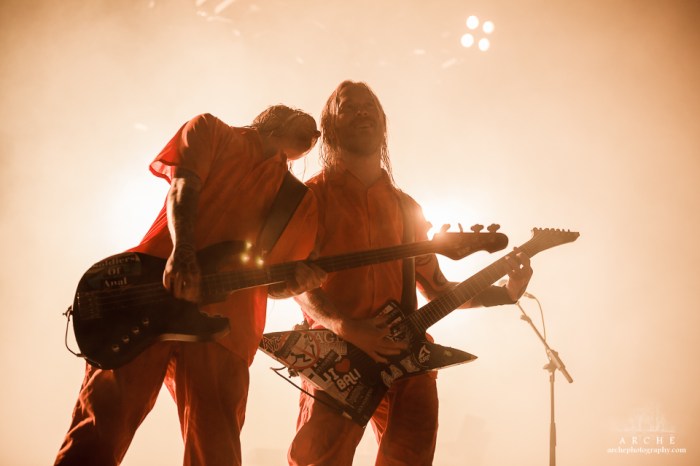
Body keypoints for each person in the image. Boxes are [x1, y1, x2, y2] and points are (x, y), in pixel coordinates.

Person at [55, 105, 327, 466]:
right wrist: (183, 249)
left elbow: (272, 283)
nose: (315, 133)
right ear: (274, 117)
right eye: (302, 119)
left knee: (215, 454)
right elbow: (183, 185)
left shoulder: (299, 199)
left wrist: (295, 284)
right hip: (144, 295)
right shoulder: (211, 130)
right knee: (98, 430)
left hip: (226, 327)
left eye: (316, 135)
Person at [287, 81, 534, 466]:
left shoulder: (406, 208)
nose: (362, 112)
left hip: (408, 361)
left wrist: (506, 292)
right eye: (348, 107)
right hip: (337, 356)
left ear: (383, 121)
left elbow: (438, 289)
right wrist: (343, 325)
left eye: (369, 106)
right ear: (330, 125)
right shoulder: (312, 197)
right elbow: (294, 279)